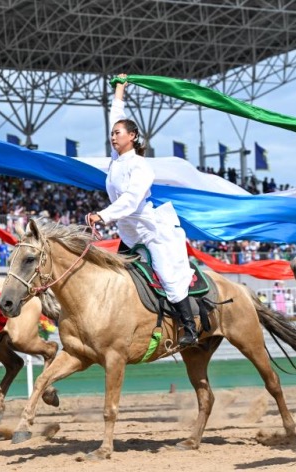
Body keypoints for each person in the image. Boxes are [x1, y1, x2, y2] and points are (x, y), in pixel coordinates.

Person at [86, 74, 197, 347]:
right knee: (112, 277)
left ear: (133, 136)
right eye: (112, 134)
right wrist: (120, 90)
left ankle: (190, 329)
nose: (113, 136)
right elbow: (116, 115)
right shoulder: (116, 160)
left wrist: (102, 215)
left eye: (118, 133)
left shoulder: (141, 166)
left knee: (170, 279)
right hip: (128, 234)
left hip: (149, 232)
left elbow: (131, 201)